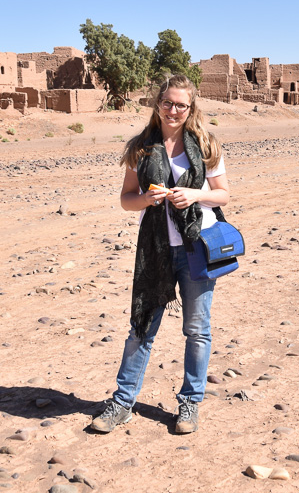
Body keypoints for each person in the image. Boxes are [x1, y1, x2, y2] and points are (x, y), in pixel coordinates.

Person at [90, 74, 229, 434]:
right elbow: (126, 200)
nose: (173, 110)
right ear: (157, 104)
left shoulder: (207, 145)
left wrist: (195, 194)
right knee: (141, 329)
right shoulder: (140, 148)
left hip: (196, 248)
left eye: (181, 104)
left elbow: (223, 194)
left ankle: (190, 403)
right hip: (155, 250)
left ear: (190, 108)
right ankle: (122, 403)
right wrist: (145, 199)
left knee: (197, 330)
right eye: (167, 102)